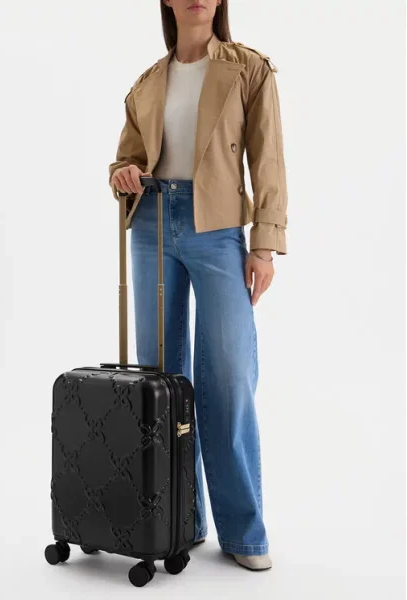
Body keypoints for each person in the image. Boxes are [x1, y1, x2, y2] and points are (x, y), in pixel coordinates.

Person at [108, 0, 288, 571]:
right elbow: (124, 162)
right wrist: (122, 174)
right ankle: (177, 522)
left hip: (218, 230)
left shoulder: (249, 69)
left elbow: (268, 160)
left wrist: (264, 243)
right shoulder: (146, 84)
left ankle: (244, 533)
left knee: (230, 376)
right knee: (161, 379)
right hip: (151, 225)